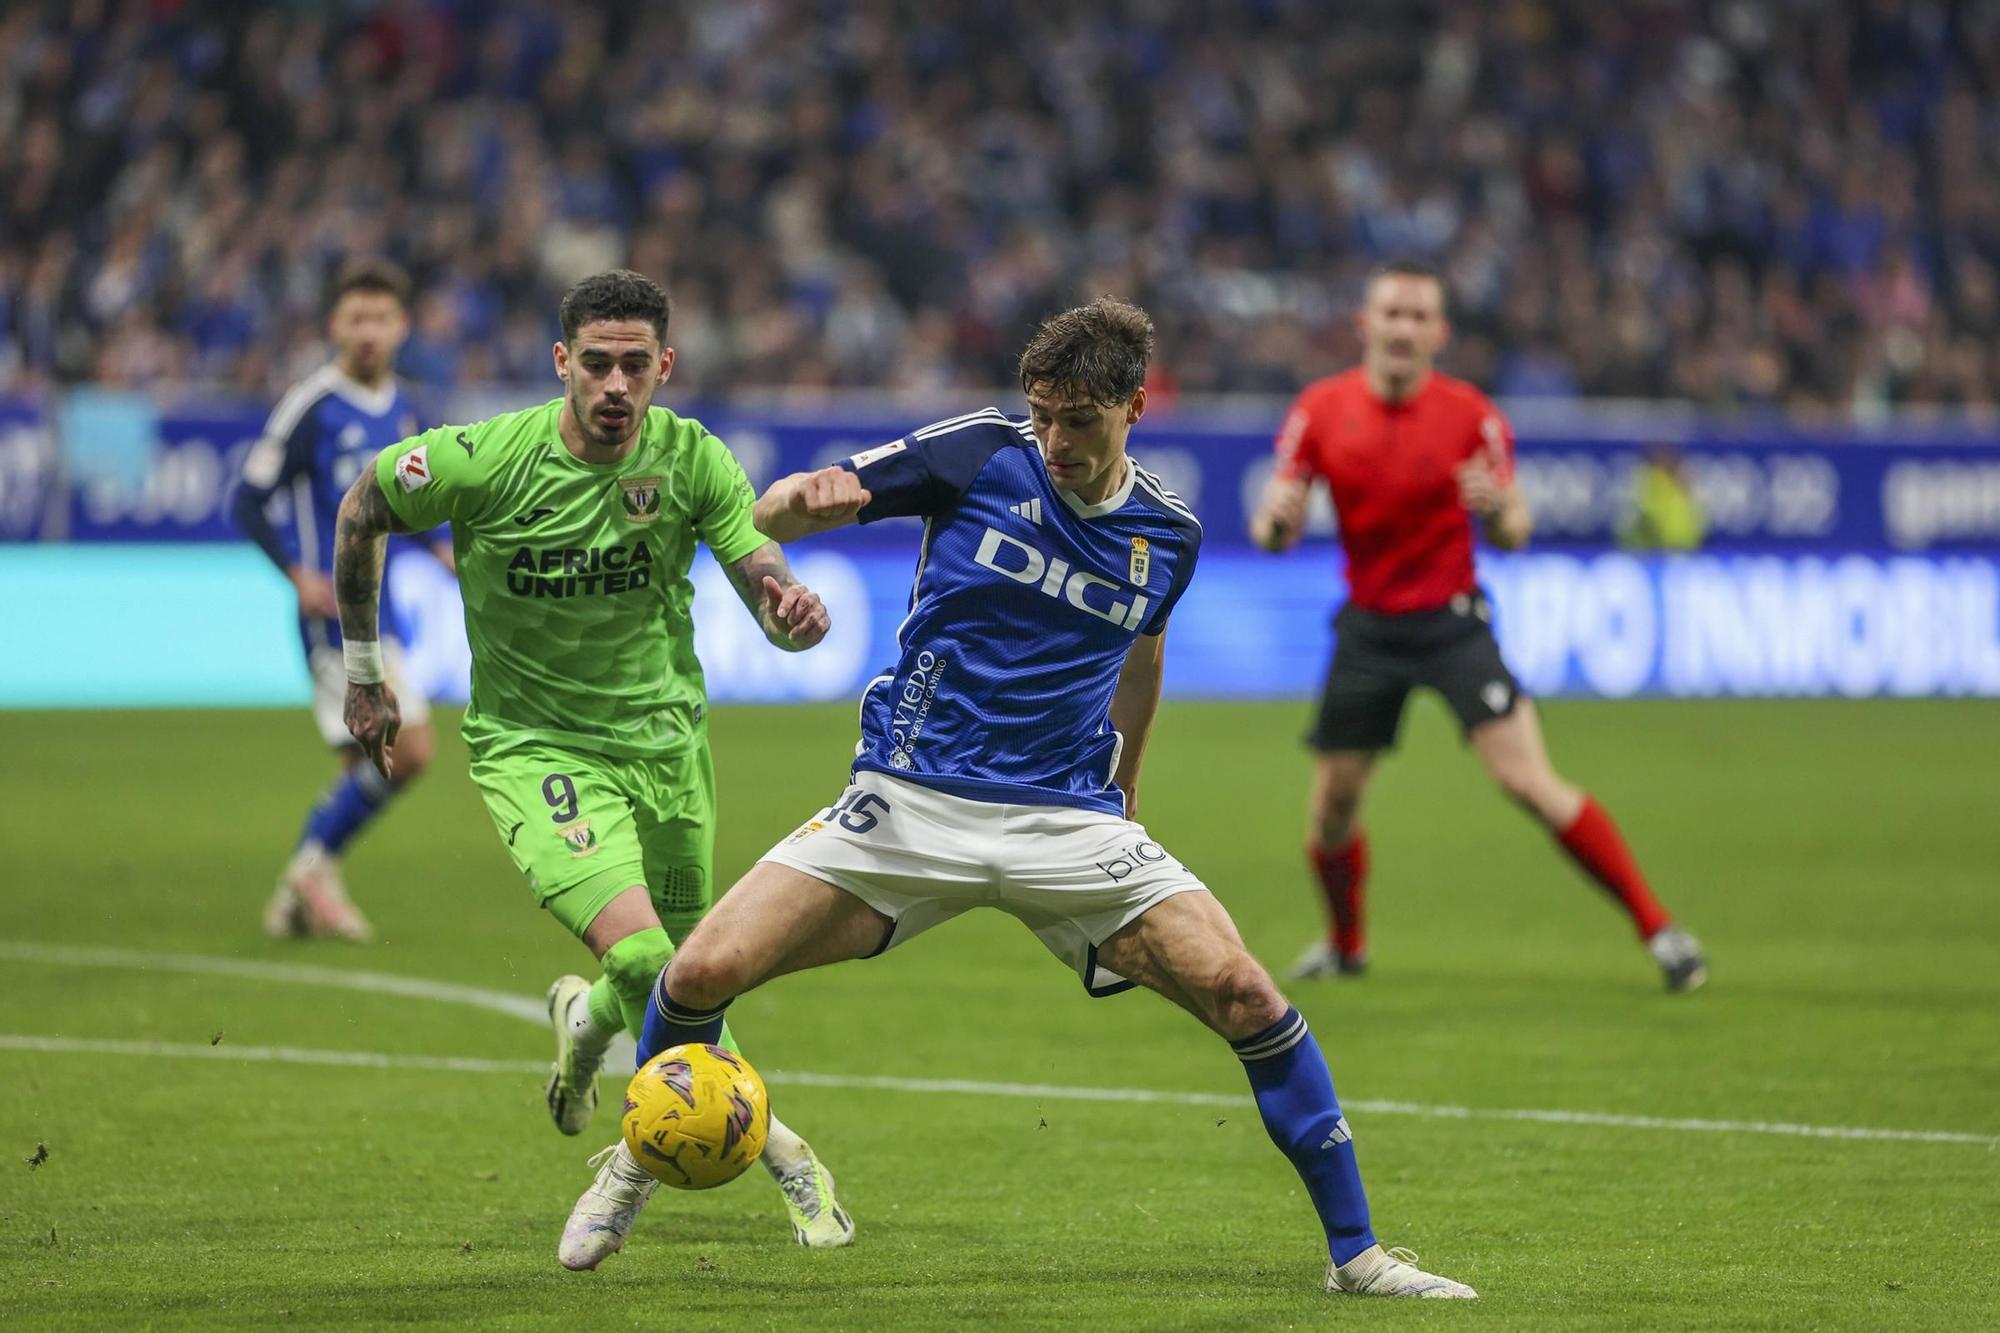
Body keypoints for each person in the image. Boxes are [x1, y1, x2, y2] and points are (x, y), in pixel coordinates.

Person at [612, 297, 1478, 1300]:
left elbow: (1142, 657)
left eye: (1079, 420)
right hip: (908, 798)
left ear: (1132, 409)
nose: (1055, 439)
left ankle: (1358, 1255)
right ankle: (635, 1162)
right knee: (701, 968)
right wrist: (803, 503)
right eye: (1043, 415)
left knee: (1245, 991)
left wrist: (1129, 779)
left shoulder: (1169, 533)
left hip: (1068, 820)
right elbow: (815, 496)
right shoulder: (983, 452)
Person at [332, 269, 854, 1267]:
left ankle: (582, 1025)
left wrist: (790, 609)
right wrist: (366, 673)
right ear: (561, 363)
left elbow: (762, 579)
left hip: (665, 746)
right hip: (536, 750)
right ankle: (770, 1150)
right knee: (652, 961)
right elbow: (362, 508)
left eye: (635, 365)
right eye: (597, 363)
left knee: (687, 976)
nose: (616, 384)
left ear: (664, 367)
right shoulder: (483, 460)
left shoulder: (691, 458)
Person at [1249, 260, 1707, 993]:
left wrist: (1494, 506)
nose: (1402, 327)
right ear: (1366, 325)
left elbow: (1517, 530)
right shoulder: (1320, 409)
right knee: (1332, 807)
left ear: (1439, 332)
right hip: (1368, 627)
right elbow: (1273, 520)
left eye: (1417, 316)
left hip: (1453, 622)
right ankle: (1346, 946)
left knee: (1528, 781)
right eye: (1390, 314)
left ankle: (1661, 930)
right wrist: (1278, 524)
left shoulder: (1472, 417)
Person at [232, 258, 449, 942]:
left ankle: (303, 889)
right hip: (335, 617)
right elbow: (249, 498)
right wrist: (296, 573)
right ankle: (309, 869)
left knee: (365, 762)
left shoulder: (405, 406)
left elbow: (414, 501)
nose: (368, 331)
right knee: (409, 748)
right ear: (334, 323)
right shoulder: (311, 404)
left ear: (401, 327)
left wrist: (444, 547)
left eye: (381, 318)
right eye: (356, 317)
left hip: (388, 609)